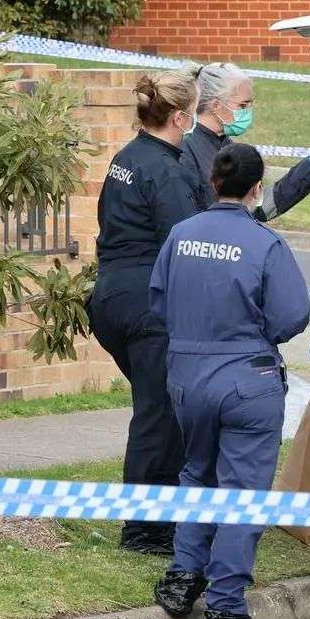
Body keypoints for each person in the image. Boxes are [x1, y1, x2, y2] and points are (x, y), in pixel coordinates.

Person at [149, 143, 310, 619]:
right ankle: (226, 609)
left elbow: (159, 301)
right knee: (242, 494)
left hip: (187, 377)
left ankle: (181, 579)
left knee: (197, 473)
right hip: (246, 379)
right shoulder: (265, 243)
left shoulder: (182, 234)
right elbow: (290, 318)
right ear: (256, 187)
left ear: (214, 184)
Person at [91, 68, 201, 555]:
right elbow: (188, 244)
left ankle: (162, 517)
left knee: (159, 409)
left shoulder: (127, 157)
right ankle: (145, 528)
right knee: (159, 416)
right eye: (194, 112)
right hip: (147, 306)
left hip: (112, 295)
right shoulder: (168, 171)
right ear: (180, 117)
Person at [183, 62, 310, 219]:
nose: (248, 111)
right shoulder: (186, 150)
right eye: (243, 106)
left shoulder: (225, 146)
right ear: (216, 105)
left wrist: (309, 166)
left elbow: (259, 207)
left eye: (250, 104)